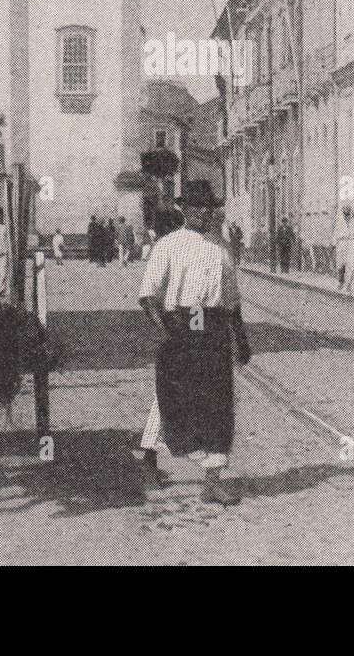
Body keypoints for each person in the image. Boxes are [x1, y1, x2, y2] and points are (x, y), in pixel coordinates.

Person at [137, 189, 252, 505]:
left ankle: (212, 481)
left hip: (213, 326)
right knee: (171, 395)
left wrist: (240, 339)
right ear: (184, 210)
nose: (203, 213)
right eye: (196, 207)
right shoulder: (168, 245)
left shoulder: (222, 250)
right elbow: (148, 296)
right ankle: (148, 458)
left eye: (208, 208)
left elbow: (232, 301)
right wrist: (167, 333)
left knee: (219, 401)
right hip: (182, 324)